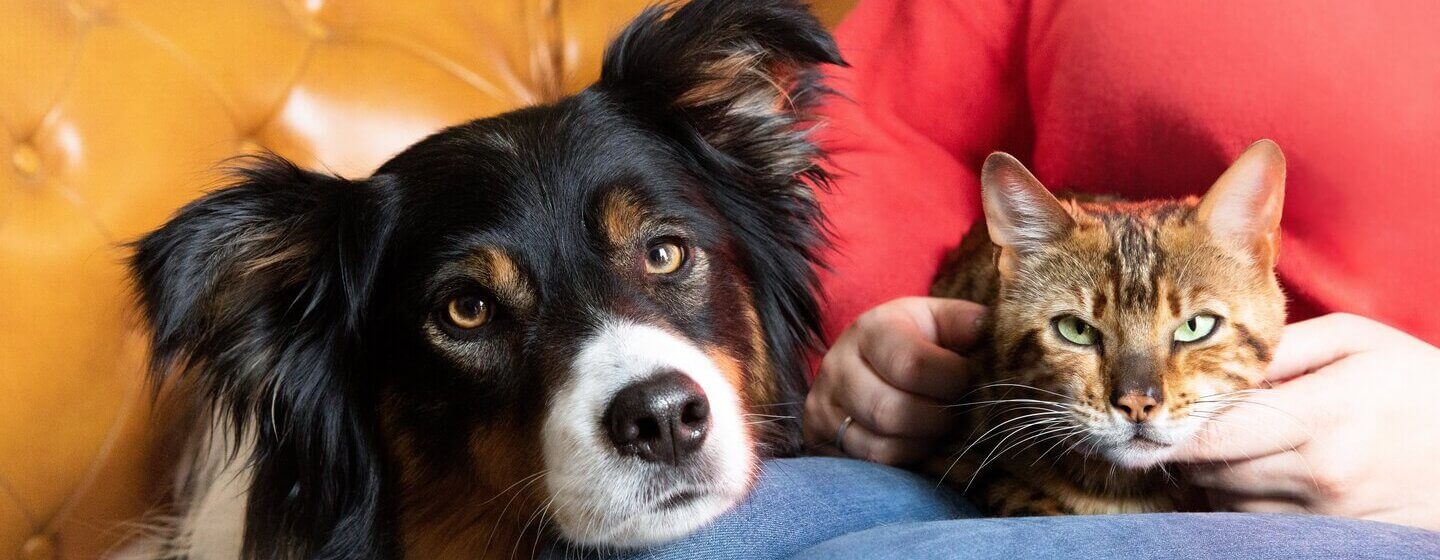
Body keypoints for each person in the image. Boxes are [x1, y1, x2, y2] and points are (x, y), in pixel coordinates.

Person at [551, 0, 1440, 557]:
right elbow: (876, 129)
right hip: (988, 430)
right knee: (652, 543)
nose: (1139, 392)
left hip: (1394, 499)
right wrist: (875, 337)